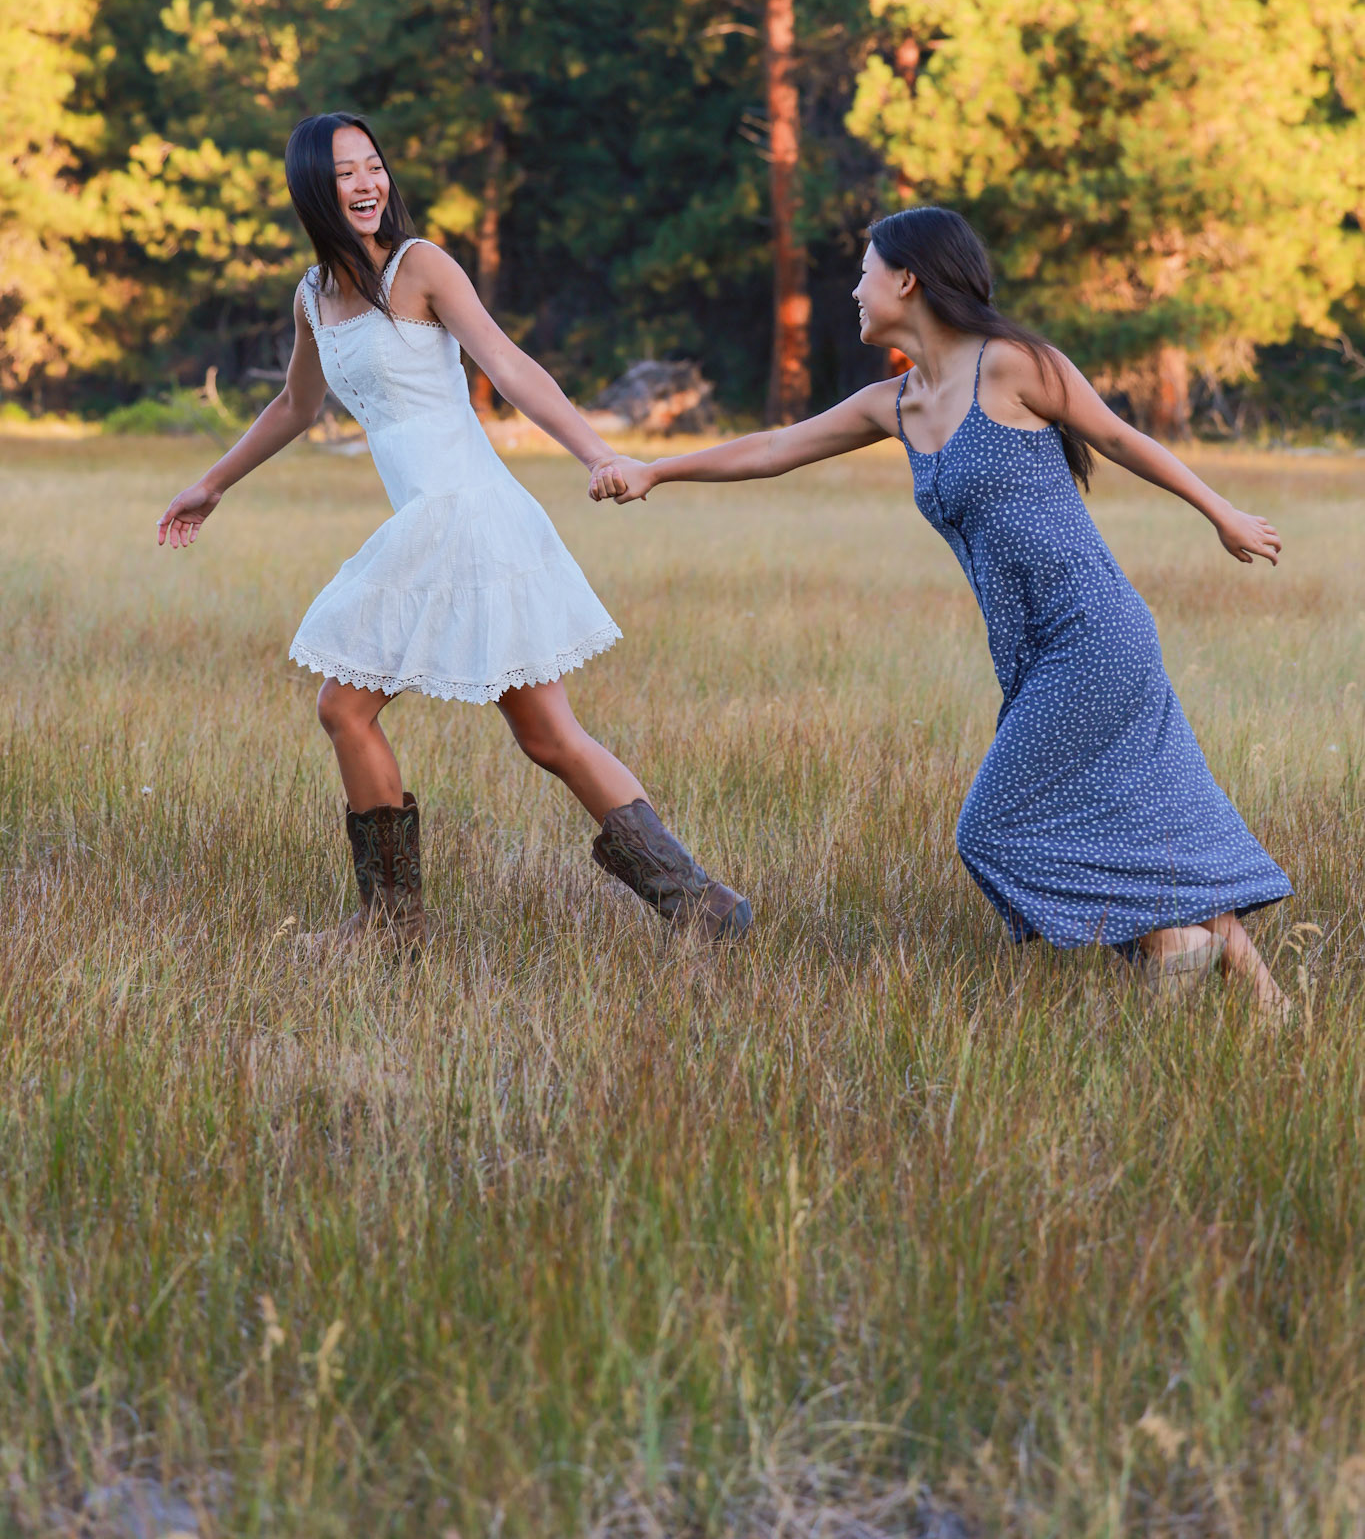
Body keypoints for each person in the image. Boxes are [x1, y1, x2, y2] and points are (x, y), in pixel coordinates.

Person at [593, 206, 1293, 1016]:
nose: (853, 291)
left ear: (906, 279)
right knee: (1139, 814)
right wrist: (657, 469)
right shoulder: (892, 404)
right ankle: (1268, 1007)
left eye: (863, 273)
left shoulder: (1012, 365)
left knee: (994, 829)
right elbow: (774, 449)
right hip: (1029, 652)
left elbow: (1120, 438)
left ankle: (1169, 943)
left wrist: (1221, 513)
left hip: (1093, 632)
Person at [156, 112, 751, 953]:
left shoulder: (421, 265)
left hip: (467, 515)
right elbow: (295, 404)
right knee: (545, 736)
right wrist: (211, 484)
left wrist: (596, 452)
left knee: (351, 708)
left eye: (373, 166)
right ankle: (703, 906)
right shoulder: (313, 297)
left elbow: (506, 364)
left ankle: (392, 925)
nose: (366, 184)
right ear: (312, 190)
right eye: (344, 173)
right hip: (436, 525)